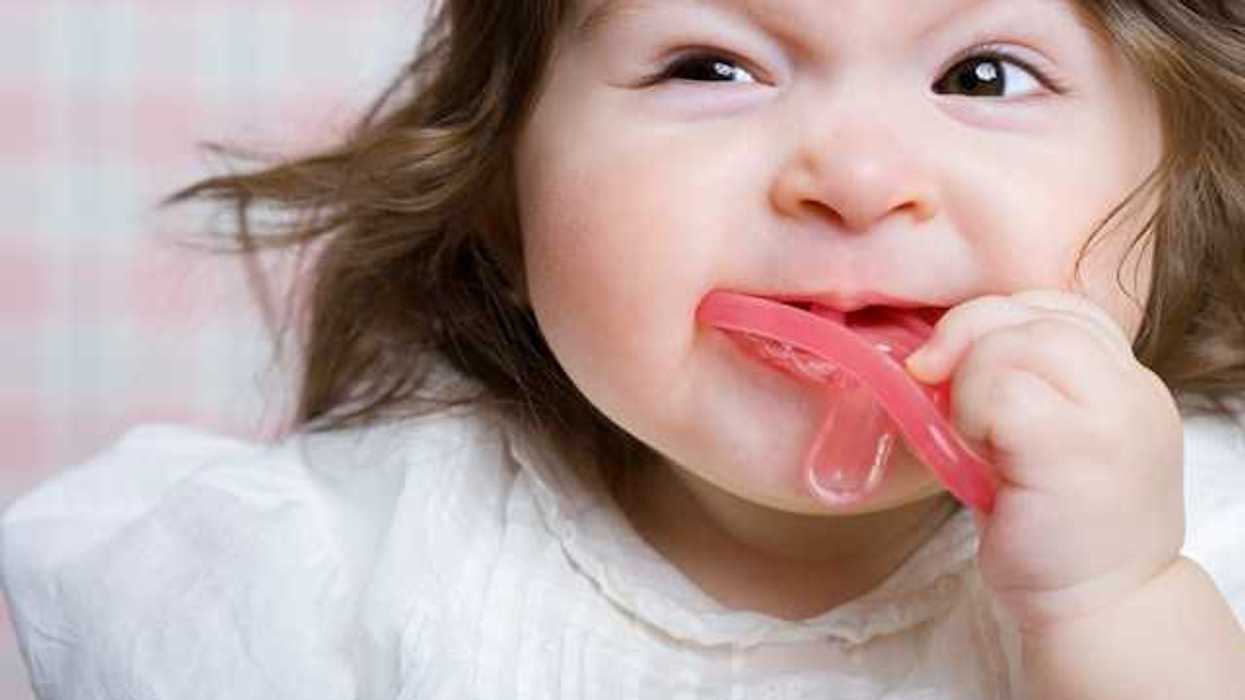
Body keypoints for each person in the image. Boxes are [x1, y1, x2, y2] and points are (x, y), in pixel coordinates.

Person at [4, 0, 1245, 697]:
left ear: (1182, 174)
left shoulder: (1216, 544)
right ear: (502, 180)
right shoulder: (326, 574)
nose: (860, 180)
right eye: (713, 64)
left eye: (984, 74)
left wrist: (1113, 608)